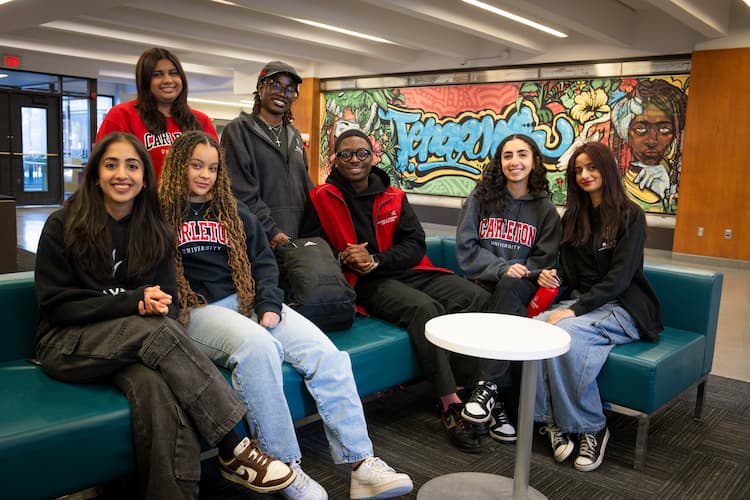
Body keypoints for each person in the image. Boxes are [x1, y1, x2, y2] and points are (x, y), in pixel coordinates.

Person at [33, 132, 294, 499]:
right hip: (67, 342)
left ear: (145, 178)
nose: (121, 174)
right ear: (95, 174)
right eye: (111, 165)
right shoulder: (63, 224)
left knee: (157, 392)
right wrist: (133, 302)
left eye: (132, 166)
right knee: (157, 332)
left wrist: (154, 305)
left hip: (129, 347)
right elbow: (57, 306)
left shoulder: (152, 229)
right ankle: (234, 445)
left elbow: (170, 303)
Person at [158, 130, 413, 500]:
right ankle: (284, 468)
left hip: (247, 301)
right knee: (258, 348)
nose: (204, 175)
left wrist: (269, 307)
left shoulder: (234, 211)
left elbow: (264, 266)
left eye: (212, 168)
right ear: (178, 165)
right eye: (196, 165)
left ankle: (362, 464)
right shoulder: (158, 214)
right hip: (197, 311)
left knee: (327, 355)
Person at [300, 128, 495, 454]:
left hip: (403, 270)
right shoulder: (321, 198)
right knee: (425, 310)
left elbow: (414, 244)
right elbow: (310, 247)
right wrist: (343, 257)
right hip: (363, 283)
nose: (354, 160)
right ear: (336, 159)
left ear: (372, 156)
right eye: (345, 154)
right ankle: (448, 403)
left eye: (361, 153)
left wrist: (377, 259)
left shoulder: (394, 196)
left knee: (476, 297)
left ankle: (471, 388)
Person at [533, 142, 663, 472]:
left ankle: (593, 426)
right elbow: (572, 273)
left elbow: (620, 278)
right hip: (586, 304)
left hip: (624, 306)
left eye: (591, 167)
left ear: (606, 170)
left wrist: (574, 310)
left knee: (566, 332)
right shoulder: (574, 218)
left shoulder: (630, 215)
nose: (585, 175)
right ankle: (553, 422)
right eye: (578, 170)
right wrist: (554, 278)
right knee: (534, 331)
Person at [455, 134, 561, 441]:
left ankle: (486, 389)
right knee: (483, 298)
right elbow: (466, 247)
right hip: (482, 279)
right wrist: (501, 266)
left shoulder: (545, 210)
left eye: (522, 155)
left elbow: (546, 259)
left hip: (520, 286)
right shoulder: (480, 197)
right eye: (507, 155)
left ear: (534, 161)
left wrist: (522, 271)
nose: (515, 162)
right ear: (499, 162)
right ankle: (497, 402)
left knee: (510, 287)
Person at [221, 60, 311, 247]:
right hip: (259, 239)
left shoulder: (294, 135)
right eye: (276, 85)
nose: (282, 93)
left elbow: (305, 187)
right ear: (261, 87)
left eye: (289, 89)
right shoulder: (238, 130)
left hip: (297, 242)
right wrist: (270, 229)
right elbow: (239, 189)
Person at [97, 47, 218, 179]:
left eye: (173, 73)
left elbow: (217, 171)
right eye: (157, 74)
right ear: (145, 81)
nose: (168, 80)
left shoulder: (200, 120)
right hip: (142, 199)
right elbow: (103, 166)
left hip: (190, 199)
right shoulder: (122, 115)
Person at [610, 79, 687, 211]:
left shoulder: (680, 181)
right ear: (625, 132)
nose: (652, 141)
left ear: (675, 134)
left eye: (664, 130)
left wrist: (667, 192)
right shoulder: (612, 186)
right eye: (640, 129)